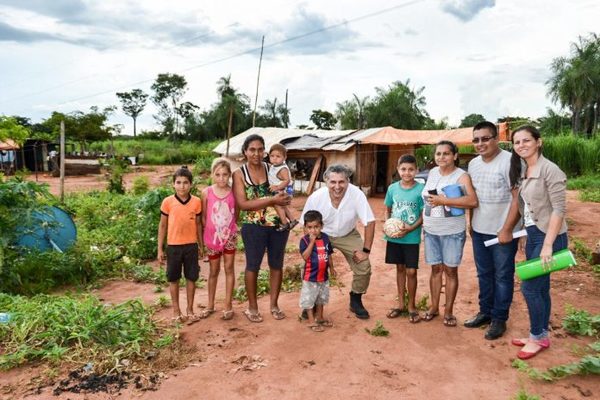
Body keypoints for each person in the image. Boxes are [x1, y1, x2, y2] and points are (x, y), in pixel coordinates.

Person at [499, 125, 568, 360]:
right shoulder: (525, 170)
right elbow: (529, 209)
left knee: (529, 286)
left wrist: (548, 245)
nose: (521, 146)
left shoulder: (551, 170)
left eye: (526, 140)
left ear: (539, 142)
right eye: (517, 142)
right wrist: (525, 233)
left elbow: (558, 210)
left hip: (550, 237)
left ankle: (538, 336)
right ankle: (539, 334)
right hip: (534, 234)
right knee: (540, 287)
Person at [465, 121, 519, 340]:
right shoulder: (473, 165)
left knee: (503, 275)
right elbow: (473, 198)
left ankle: (499, 319)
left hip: (503, 232)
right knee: (484, 274)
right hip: (479, 229)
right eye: (476, 140)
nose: (480, 144)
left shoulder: (509, 161)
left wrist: (506, 229)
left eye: (485, 138)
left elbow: (517, 198)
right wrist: (471, 223)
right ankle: (485, 312)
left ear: (496, 138)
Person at [301, 164, 375, 319]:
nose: (337, 186)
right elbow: (306, 224)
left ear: (348, 181)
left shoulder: (357, 195)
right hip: (322, 234)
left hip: (347, 234)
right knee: (312, 266)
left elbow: (369, 221)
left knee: (364, 266)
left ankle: (355, 299)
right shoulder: (316, 197)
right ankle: (311, 303)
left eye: (342, 182)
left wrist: (366, 250)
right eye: (333, 182)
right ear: (326, 181)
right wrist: (312, 247)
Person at [232, 134, 291, 323]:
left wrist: (285, 197)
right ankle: (252, 308)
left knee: (276, 265)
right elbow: (242, 203)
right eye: (252, 150)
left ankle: (274, 305)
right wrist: (272, 200)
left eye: (260, 149)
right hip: (253, 227)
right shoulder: (239, 174)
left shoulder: (272, 167)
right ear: (244, 152)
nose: (256, 153)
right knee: (252, 266)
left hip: (278, 226)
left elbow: (286, 189)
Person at [422, 141, 478, 327]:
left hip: (452, 232)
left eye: (446, 154)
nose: (441, 157)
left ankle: (449, 311)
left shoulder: (461, 176)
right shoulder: (432, 173)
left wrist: (443, 200)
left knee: (450, 271)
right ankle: (434, 307)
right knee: (435, 269)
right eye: (438, 154)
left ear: (454, 156)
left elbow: (472, 201)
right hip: (430, 230)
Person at [157, 166, 204, 324]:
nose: (182, 186)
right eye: (178, 182)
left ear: (191, 184)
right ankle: (176, 311)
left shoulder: (196, 202)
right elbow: (162, 226)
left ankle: (190, 310)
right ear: (173, 184)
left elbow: (198, 225)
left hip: (191, 246)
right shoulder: (168, 202)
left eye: (185, 182)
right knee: (174, 279)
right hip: (173, 247)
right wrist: (159, 249)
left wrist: (201, 246)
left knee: (191, 278)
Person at [384, 154, 424, 323]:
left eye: (411, 169)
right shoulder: (392, 188)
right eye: (403, 169)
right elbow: (388, 209)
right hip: (395, 238)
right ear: (398, 170)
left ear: (416, 170)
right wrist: (388, 225)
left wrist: (411, 228)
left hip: (411, 237)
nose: (407, 173)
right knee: (399, 269)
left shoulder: (421, 190)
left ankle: (412, 307)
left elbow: (423, 215)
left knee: (411, 271)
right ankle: (401, 305)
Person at [201, 158, 238, 320]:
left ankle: (228, 305)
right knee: (213, 271)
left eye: (225, 174)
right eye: (218, 174)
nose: (221, 178)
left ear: (229, 175)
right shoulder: (206, 192)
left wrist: (228, 230)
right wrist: (210, 232)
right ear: (212, 175)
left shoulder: (234, 192)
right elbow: (203, 217)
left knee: (229, 268)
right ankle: (210, 305)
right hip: (212, 238)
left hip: (229, 236)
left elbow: (236, 214)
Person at [299, 210, 337, 332]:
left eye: (316, 227)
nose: (313, 230)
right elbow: (305, 256)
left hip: (323, 276)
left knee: (321, 298)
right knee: (309, 299)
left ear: (321, 226)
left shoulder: (325, 238)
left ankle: (319, 317)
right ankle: (311, 321)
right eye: (309, 227)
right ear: (305, 228)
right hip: (310, 277)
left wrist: (332, 268)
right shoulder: (304, 241)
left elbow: (329, 254)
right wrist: (312, 242)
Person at [268, 143, 298, 231]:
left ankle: (284, 223)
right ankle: (292, 220)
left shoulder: (282, 169)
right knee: (283, 206)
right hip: (281, 190)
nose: (274, 158)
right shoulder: (274, 166)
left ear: (284, 158)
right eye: (272, 156)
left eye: (278, 156)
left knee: (277, 205)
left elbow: (287, 180)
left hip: (283, 190)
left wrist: (277, 187)